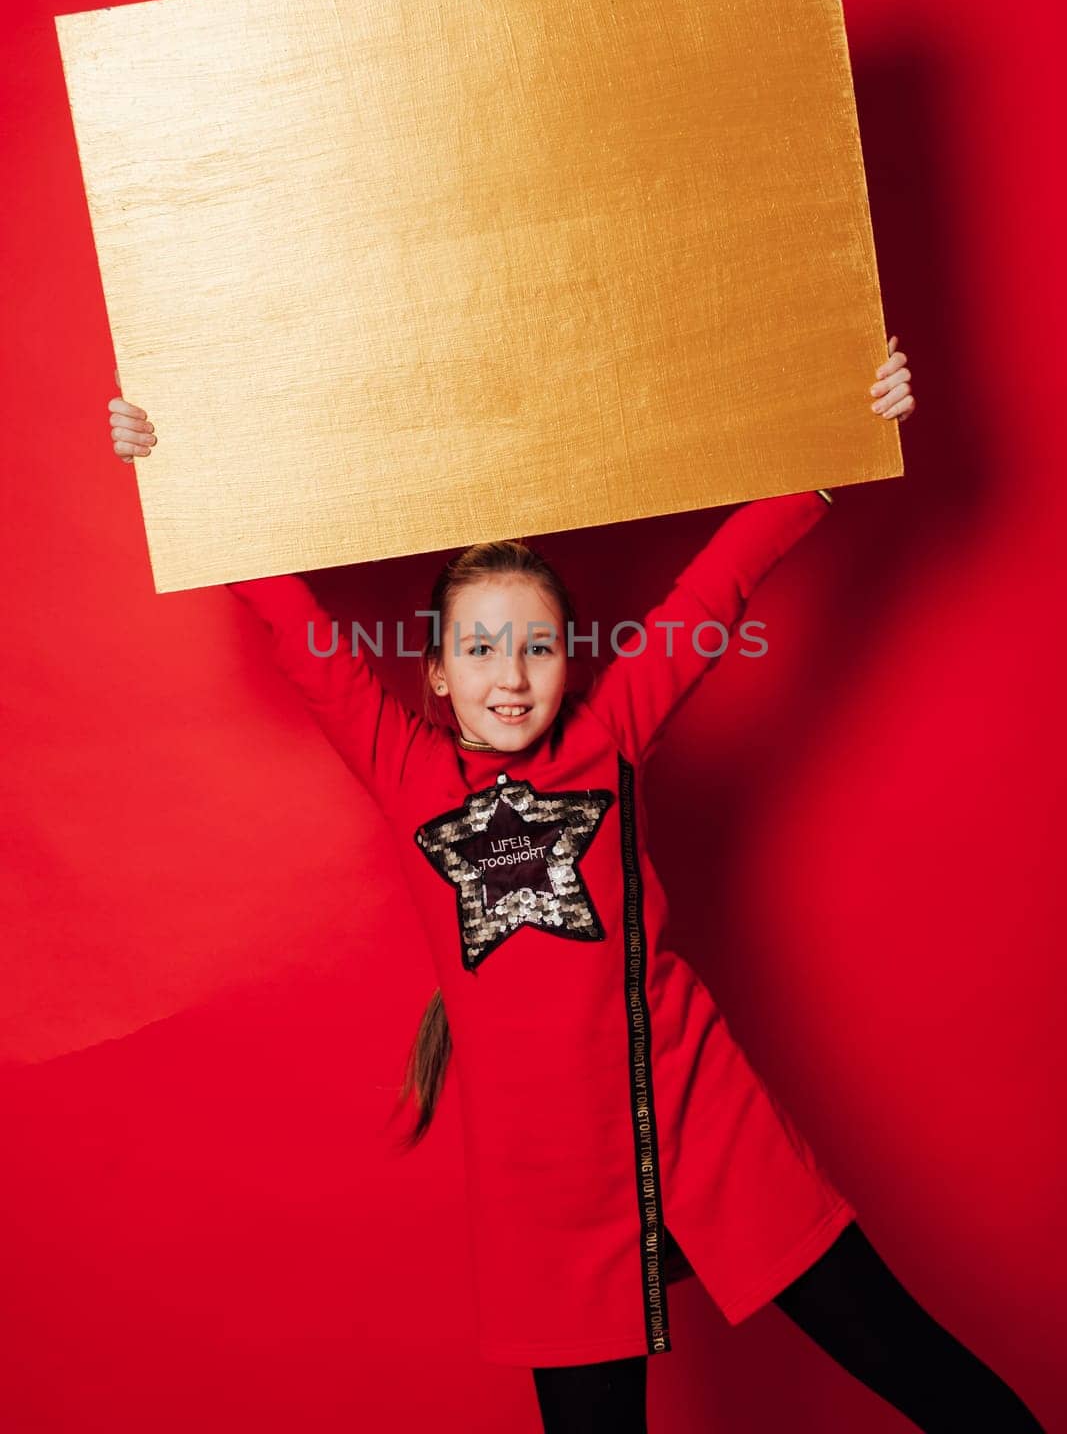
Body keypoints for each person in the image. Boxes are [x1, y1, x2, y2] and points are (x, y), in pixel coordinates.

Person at [105, 341, 1045, 1433]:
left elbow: (717, 584)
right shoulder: (406, 774)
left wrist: (840, 438)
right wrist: (172, 464)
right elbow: (301, 637)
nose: (511, 676)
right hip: (551, 1201)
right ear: (437, 672)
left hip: (699, 1125)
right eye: (483, 650)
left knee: (913, 1362)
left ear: (571, 658)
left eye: (538, 647)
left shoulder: (609, 740)